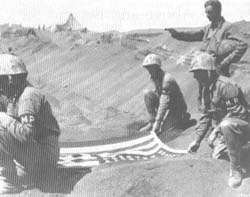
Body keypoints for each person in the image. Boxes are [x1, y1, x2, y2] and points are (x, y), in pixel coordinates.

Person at [187, 52, 250, 188]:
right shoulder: (207, 89)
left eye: (198, 72)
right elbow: (206, 116)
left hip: (244, 126)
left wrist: (218, 128)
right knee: (217, 154)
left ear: (208, 72)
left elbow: (240, 113)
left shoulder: (226, 85)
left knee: (227, 126)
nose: (195, 76)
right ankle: (241, 152)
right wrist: (197, 141)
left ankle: (236, 170)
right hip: (229, 127)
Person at [0, 53, 60, 194]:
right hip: (35, 155)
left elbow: (27, 135)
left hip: (44, 158)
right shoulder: (14, 95)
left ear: (10, 79)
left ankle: (10, 182)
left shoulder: (28, 97)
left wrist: (3, 118)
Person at [165, 0, 248, 77]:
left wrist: (224, 63)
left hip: (219, 73)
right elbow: (192, 35)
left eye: (210, 12)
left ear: (218, 11)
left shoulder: (228, 27)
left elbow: (243, 45)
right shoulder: (208, 28)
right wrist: (176, 34)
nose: (207, 16)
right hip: (204, 71)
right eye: (206, 13)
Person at [140, 53, 191, 134]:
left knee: (165, 130)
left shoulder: (167, 80)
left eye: (150, 68)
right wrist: (155, 121)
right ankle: (152, 121)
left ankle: (182, 117)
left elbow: (164, 102)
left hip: (177, 107)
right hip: (168, 103)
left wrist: (158, 121)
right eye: (147, 68)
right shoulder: (153, 77)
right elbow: (159, 93)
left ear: (156, 67)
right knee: (147, 94)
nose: (148, 70)